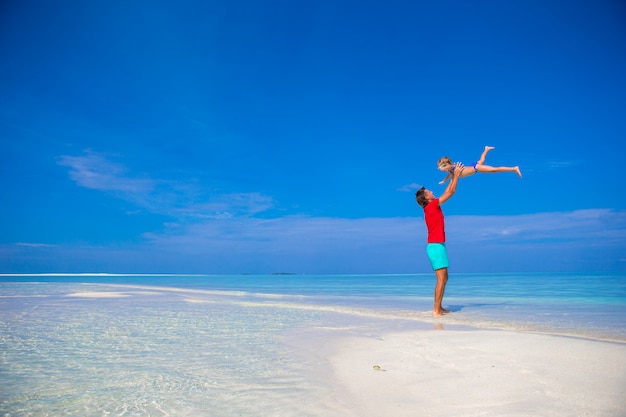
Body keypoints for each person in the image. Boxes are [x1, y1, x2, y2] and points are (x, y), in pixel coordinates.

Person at [415, 162, 463, 316]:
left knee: (444, 278)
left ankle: (439, 307)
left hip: (438, 246)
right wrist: (455, 174)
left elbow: (448, 190)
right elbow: (452, 192)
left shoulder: (431, 206)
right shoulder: (431, 206)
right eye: (428, 191)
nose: (431, 191)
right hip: (435, 247)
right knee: (441, 280)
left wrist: (455, 174)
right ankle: (436, 310)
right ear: (427, 198)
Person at [438, 146, 521, 184]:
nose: (441, 169)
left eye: (442, 167)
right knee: (482, 160)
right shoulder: (451, 170)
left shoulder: (455, 166)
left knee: (494, 170)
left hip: (476, 168)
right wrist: (444, 181)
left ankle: (514, 168)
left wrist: (442, 168)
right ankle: (486, 149)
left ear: (447, 164)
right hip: (474, 166)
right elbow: (449, 175)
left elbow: (450, 171)